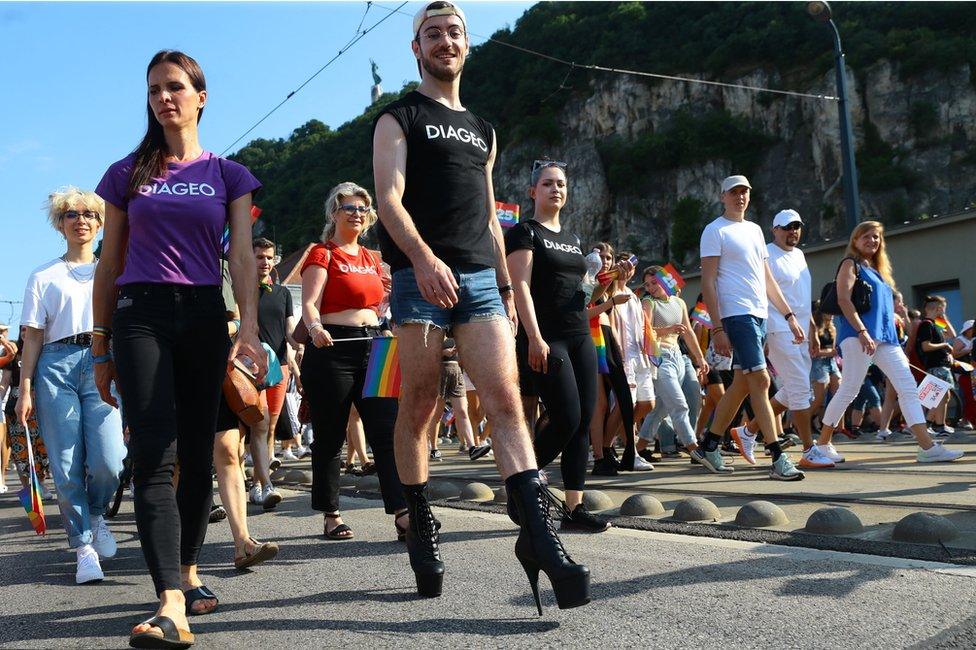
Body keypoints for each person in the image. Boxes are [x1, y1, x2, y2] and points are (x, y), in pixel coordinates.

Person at [372, 0, 589, 609]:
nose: (445, 40)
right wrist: (420, 259)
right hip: (418, 280)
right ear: (417, 48)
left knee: (505, 404)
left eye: (454, 32)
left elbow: (493, 218)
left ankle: (540, 538)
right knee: (419, 404)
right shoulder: (397, 118)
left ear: (468, 45)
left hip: (479, 282)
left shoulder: (483, 131)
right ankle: (419, 527)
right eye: (432, 33)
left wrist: (505, 286)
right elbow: (389, 199)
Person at [92, 50, 266, 648]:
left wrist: (246, 328)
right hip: (139, 314)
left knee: (197, 453)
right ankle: (169, 600)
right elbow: (108, 261)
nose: (164, 97)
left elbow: (241, 257)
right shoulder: (126, 173)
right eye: (153, 90)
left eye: (174, 87)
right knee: (154, 456)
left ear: (201, 96)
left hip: (202, 315)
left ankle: (188, 574)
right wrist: (99, 342)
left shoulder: (230, 175)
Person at [14, 188, 126, 584]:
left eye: (89, 214)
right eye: (70, 214)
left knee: (109, 461)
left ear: (100, 224)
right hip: (55, 365)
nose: (80, 219)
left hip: (103, 361)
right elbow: (31, 337)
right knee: (64, 465)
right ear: (60, 224)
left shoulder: (114, 270)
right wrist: (24, 389)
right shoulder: (43, 275)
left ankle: (96, 514)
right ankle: (83, 546)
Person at [299, 181, 407, 541]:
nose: (357, 214)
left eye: (363, 209)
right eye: (350, 208)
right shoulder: (322, 253)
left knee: (387, 431)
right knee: (330, 435)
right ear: (335, 212)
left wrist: (388, 314)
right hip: (332, 348)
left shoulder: (374, 259)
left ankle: (403, 512)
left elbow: (380, 304)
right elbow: (310, 302)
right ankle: (331, 513)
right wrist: (314, 328)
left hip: (376, 346)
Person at [506, 159, 610, 532]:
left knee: (583, 421)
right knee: (565, 417)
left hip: (580, 333)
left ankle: (574, 509)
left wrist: (603, 283)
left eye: (562, 184)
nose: (556, 189)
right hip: (546, 336)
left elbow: (580, 294)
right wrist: (533, 337)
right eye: (548, 183)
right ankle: (523, 484)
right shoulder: (523, 232)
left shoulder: (574, 240)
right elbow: (520, 287)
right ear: (534, 191)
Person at [815, 222, 962, 463]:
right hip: (858, 336)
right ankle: (822, 444)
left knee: (907, 387)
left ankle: (927, 447)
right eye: (866, 236)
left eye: (876, 237)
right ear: (855, 240)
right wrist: (862, 330)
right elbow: (843, 299)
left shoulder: (877, 271)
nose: (872, 241)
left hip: (886, 339)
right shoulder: (849, 265)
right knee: (850, 389)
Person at [698, 175, 807, 480]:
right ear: (723, 196)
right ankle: (776, 455)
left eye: (744, 192)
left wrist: (788, 315)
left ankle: (709, 444)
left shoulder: (756, 230)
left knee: (743, 384)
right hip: (736, 314)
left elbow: (766, 277)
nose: (740, 197)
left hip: (759, 314)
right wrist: (717, 328)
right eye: (734, 192)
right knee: (760, 380)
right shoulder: (714, 230)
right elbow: (708, 281)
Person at [727, 210, 834, 469]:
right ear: (774, 229)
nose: (792, 232)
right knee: (799, 390)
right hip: (777, 327)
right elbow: (764, 294)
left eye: (796, 227)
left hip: (798, 328)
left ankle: (748, 431)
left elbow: (800, 298)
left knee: (793, 389)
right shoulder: (767, 254)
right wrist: (768, 330)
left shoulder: (799, 255)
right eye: (787, 227)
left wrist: (811, 330)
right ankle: (809, 450)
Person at [636, 265, 722, 471]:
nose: (650, 287)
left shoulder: (679, 302)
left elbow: (689, 333)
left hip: (679, 357)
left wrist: (700, 359)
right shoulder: (648, 302)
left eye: (654, 282)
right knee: (679, 405)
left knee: (660, 410)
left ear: (665, 281)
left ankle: (636, 449)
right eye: (647, 284)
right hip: (660, 357)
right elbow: (642, 332)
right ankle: (696, 449)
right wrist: (668, 329)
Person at [248, 237, 299, 509]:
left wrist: (298, 342)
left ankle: (259, 485)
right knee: (256, 423)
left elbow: (289, 329)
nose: (265, 262)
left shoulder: (283, 293)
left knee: (268, 429)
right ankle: (259, 482)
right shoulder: (243, 290)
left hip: (278, 368)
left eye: (269, 258)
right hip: (249, 368)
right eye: (259, 257)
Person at [588, 243, 638, 476]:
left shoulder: (607, 287)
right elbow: (581, 312)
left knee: (624, 399)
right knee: (600, 404)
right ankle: (599, 456)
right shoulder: (587, 282)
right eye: (601, 256)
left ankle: (607, 450)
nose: (606, 261)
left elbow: (612, 315)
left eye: (609, 257)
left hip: (608, 340)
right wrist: (609, 304)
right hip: (591, 339)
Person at [438, 337, 490, 460]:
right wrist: (442, 352)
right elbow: (425, 351)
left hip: (458, 373)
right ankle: (432, 447)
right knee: (435, 415)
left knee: (462, 411)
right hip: (440, 373)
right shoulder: (435, 330)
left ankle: (473, 447)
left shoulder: (456, 330)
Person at [915, 295, 956, 436]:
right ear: (938, 308)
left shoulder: (935, 323)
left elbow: (952, 334)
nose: (944, 311)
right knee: (937, 397)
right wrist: (944, 345)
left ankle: (932, 424)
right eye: (942, 308)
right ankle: (936, 425)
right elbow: (925, 346)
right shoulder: (926, 324)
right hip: (935, 366)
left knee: (943, 396)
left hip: (940, 365)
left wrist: (943, 318)